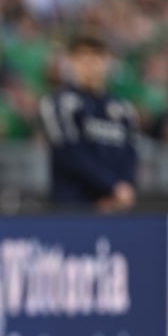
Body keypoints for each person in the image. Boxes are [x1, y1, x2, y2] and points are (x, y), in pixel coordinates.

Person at [38, 31, 140, 212]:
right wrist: (112, 187)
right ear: (71, 62)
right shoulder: (59, 103)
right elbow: (70, 154)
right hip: (73, 209)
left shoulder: (123, 109)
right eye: (82, 57)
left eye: (98, 56)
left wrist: (124, 189)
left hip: (115, 208)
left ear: (108, 61)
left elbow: (130, 154)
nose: (90, 64)